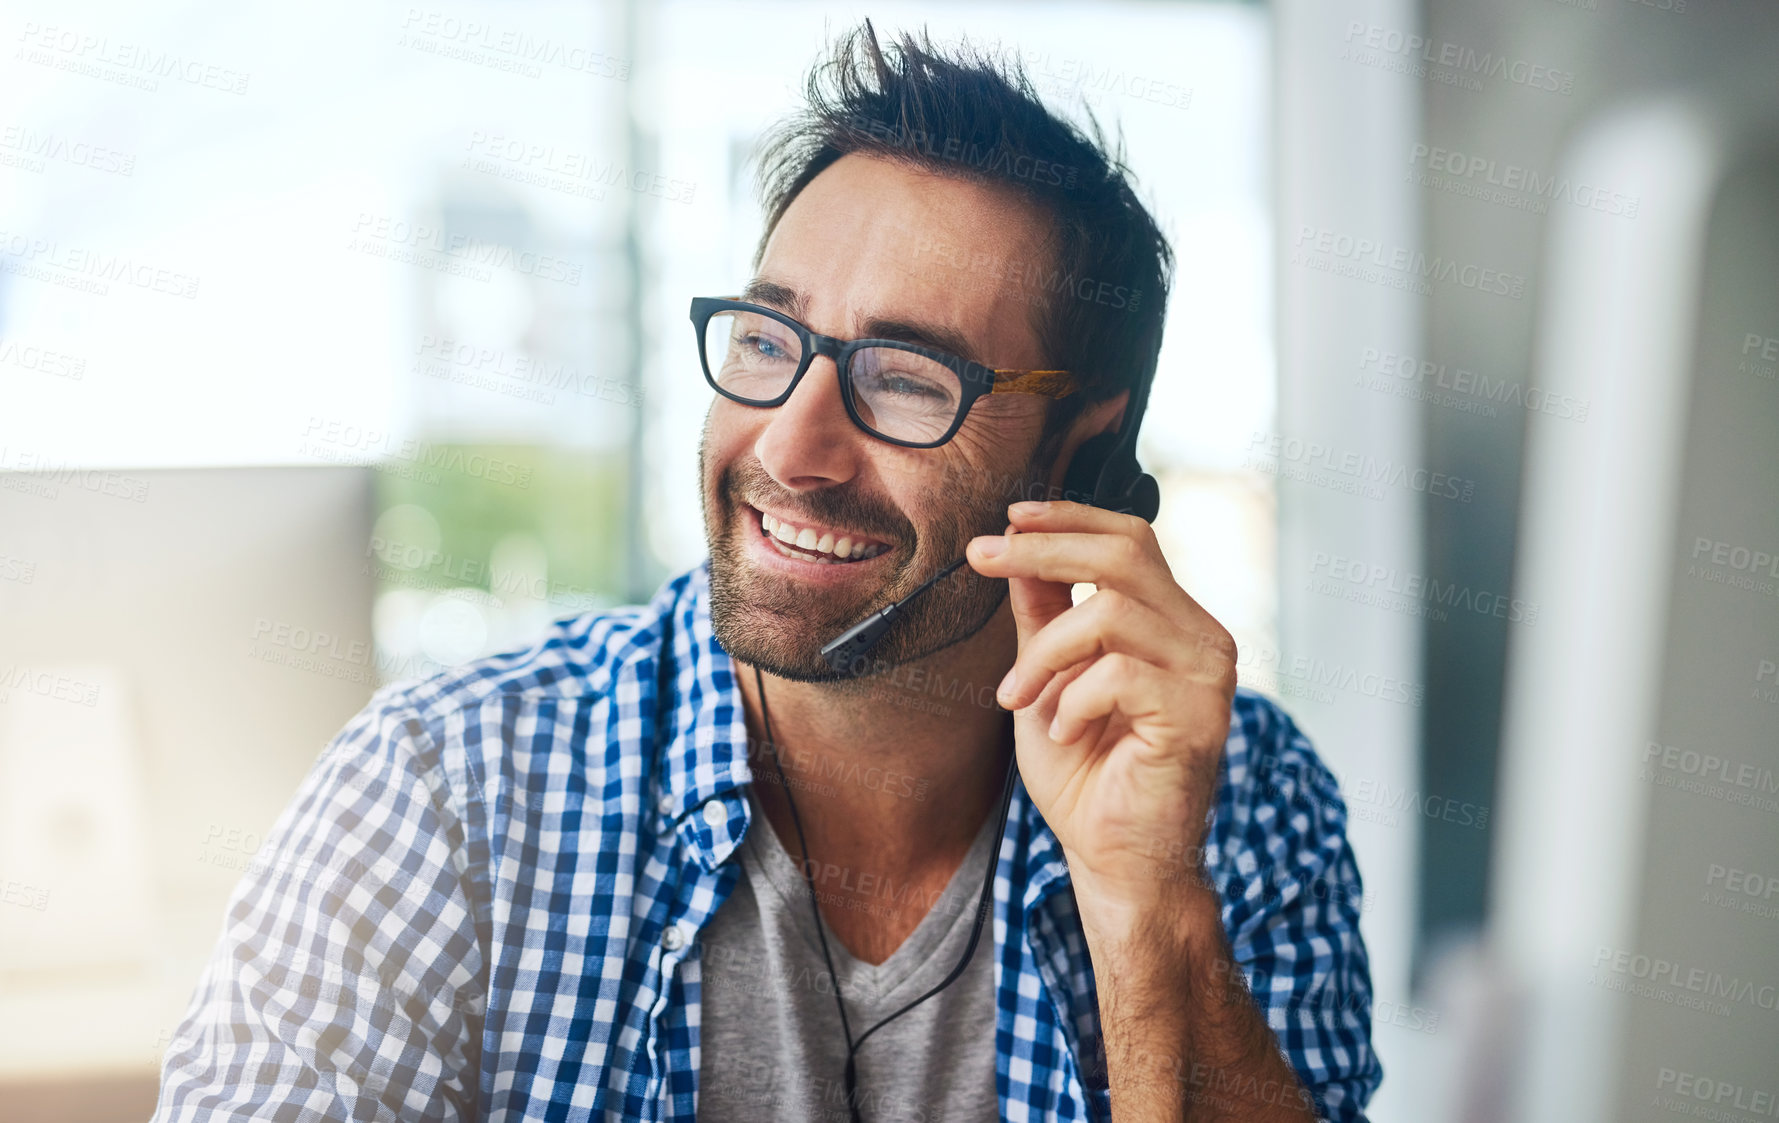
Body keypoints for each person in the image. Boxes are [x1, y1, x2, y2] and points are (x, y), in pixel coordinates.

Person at [154, 20, 1379, 1123]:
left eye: (904, 376)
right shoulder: (447, 794)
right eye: (765, 338)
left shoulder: (1240, 805)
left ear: (1083, 450)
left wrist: (1149, 908)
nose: (790, 448)